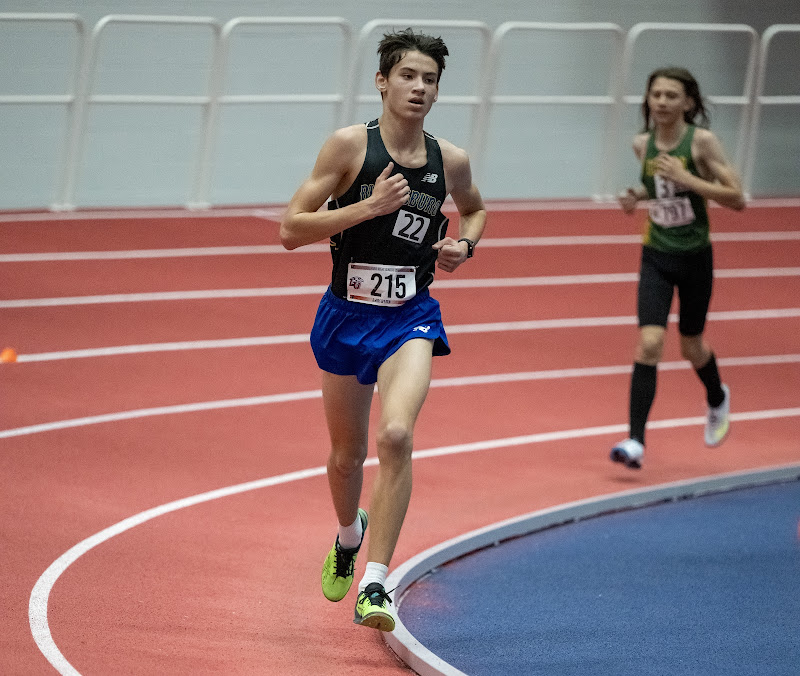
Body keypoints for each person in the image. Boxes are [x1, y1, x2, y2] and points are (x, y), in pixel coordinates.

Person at [280, 28, 486, 631]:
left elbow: (473, 207)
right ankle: (349, 536)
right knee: (346, 458)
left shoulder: (451, 160)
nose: (419, 88)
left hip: (410, 315)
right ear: (382, 81)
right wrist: (368, 207)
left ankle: (376, 585)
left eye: (430, 80)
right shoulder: (349, 147)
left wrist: (463, 247)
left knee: (395, 436)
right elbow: (292, 229)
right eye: (408, 76)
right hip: (346, 315)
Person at [610, 66, 745, 470]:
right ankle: (635, 441)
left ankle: (717, 397)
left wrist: (688, 177)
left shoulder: (702, 142)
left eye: (672, 96)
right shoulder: (642, 144)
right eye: (656, 95)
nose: (663, 103)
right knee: (649, 343)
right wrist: (636, 193)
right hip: (656, 254)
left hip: (695, 258)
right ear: (648, 100)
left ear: (688, 102)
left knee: (691, 346)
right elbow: (656, 187)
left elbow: (737, 197)